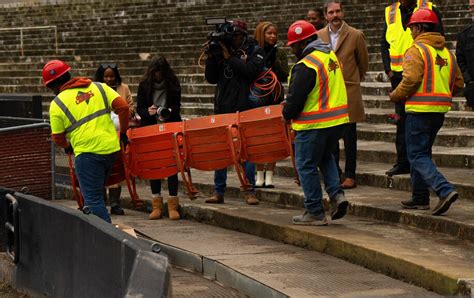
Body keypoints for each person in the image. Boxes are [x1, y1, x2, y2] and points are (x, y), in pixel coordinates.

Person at [389, 9, 463, 215]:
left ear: (420, 27)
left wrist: (395, 95)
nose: (411, 31)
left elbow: (410, 80)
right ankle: (420, 197)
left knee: (416, 154)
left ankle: (444, 189)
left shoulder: (416, 50)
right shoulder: (447, 53)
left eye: (412, 27)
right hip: (439, 111)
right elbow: (458, 82)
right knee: (422, 153)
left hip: (419, 111)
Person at [45, 60, 129, 223]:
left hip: (87, 154)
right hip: (110, 150)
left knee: (93, 200)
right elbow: (124, 108)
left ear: (53, 85)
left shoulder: (57, 103)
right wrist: (123, 133)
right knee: (97, 195)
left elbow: (57, 136)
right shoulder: (99, 87)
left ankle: (110, 238)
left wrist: (67, 147)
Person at [283, 20, 349, 226]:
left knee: (306, 165)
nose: (293, 49)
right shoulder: (330, 56)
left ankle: (314, 211)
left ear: (303, 43)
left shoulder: (306, 65)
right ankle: (337, 196)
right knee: (325, 158)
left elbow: (294, 102)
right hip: (337, 122)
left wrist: (286, 113)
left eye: (294, 45)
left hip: (314, 125)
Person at [204, 19, 265, 205]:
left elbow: (250, 71)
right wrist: (212, 57)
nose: (235, 39)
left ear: (244, 35)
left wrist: (230, 57)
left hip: (246, 107)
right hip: (223, 107)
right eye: (232, 35)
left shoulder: (255, 50)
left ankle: (249, 190)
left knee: (246, 151)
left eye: (238, 35)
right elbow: (211, 78)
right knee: (221, 151)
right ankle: (218, 190)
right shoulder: (222, 51)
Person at [381, 0, 444, 177]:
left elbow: (439, 38)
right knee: (401, 120)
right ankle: (403, 162)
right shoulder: (390, 12)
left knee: (418, 121)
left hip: (422, 71)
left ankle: (421, 162)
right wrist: (388, 69)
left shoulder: (429, 8)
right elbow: (383, 43)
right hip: (398, 74)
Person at [318, 0, 369, 189]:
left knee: (349, 137)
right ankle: (335, 173)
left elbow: (363, 64)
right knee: (330, 137)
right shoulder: (318, 36)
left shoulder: (356, 35)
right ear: (325, 15)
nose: (335, 16)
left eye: (338, 11)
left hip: (349, 92)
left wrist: (353, 80)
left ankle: (350, 174)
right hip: (328, 93)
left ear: (343, 12)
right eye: (331, 13)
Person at [137, 56, 182, 220]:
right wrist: (148, 111)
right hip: (151, 128)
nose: (158, 76)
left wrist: (169, 111)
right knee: (154, 166)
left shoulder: (173, 83)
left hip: (170, 127)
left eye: (160, 73)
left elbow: (177, 105)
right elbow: (139, 108)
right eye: (155, 73)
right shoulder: (144, 85)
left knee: (171, 166)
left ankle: (172, 205)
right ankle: (157, 205)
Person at [94, 63, 135, 216]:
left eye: (112, 76)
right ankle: (101, 201)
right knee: (102, 170)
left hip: (119, 132)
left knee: (117, 169)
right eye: (106, 76)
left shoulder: (123, 88)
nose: (109, 79)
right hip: (101, 133)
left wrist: (123, 112)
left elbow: (131, 107)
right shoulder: (95, 90)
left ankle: (115, 203)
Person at [253, 21, 289, 188]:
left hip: (275, 95)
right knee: (259, 138)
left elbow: (284, 74)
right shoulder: (253, 51)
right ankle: (259, 173)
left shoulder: (279, 53)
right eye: (269, 33)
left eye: (275, 33)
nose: (273, 36)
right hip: (257, 97)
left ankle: (270, 175)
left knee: (274, 137)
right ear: (261, 34)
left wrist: (274, 61)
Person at [456, 0, 474, 107]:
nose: (472, 10)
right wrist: (469, 81)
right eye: (471, 7)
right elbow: (460, 60)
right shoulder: (464, 35)